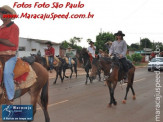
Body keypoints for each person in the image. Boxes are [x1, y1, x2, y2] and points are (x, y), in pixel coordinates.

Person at [0, 5, 19, 101]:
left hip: (9, 56)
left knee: (7, 73)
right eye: (1, 12)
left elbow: (12, 43)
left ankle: (10, 98)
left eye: (4, 12)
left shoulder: (14, 27)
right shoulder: (0, 28)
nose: (1, 14)